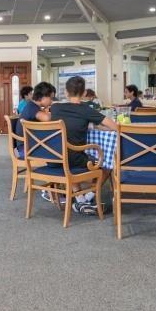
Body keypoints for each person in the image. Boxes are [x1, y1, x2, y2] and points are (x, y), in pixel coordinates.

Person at [50, 76, 118, 214]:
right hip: (74, 159)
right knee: (107, 164)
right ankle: (89, 196)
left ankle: (80, 200)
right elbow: (114, 126)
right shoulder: (86, 109)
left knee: (69, 155)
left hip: (54, 158)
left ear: (66, 92)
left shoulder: (55, 108)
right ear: (84, 93)